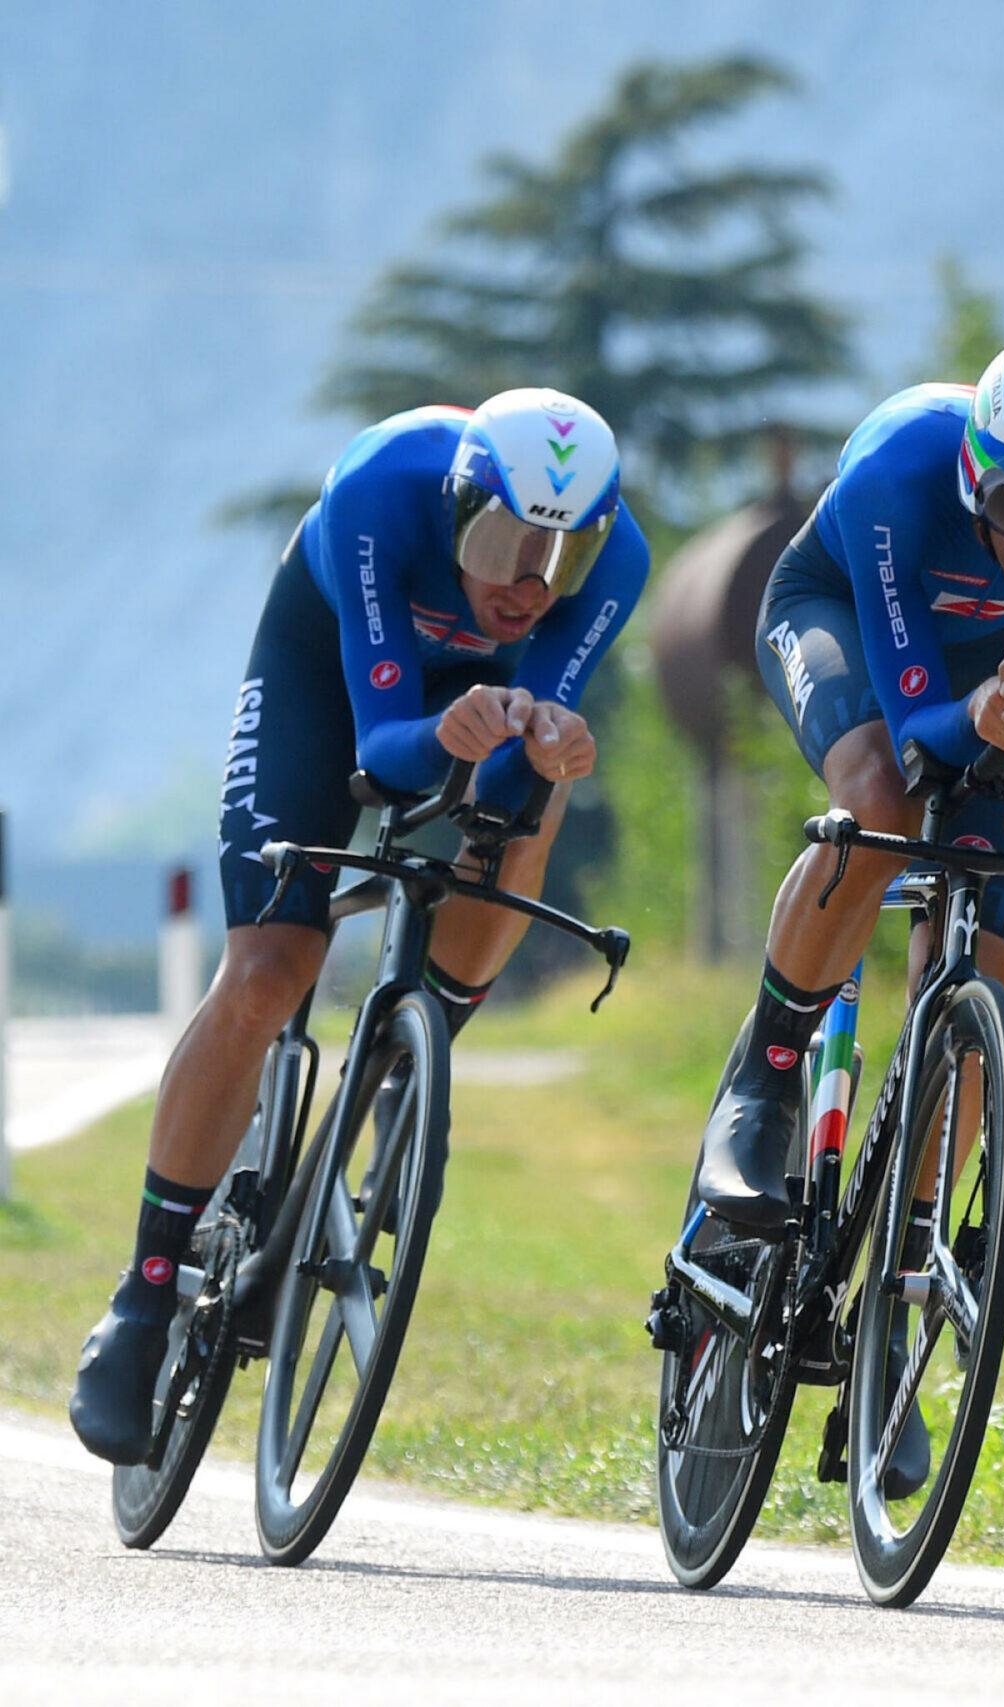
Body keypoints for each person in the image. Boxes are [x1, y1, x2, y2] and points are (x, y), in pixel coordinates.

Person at [68, 389, 651, 1465]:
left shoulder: (616, 567)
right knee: (269, 972)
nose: (528, 583)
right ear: (458, 505)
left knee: (537, 795)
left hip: (476, 713)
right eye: (501, 543)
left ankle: (405, 1059)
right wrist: (445, 730)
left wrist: (548, 744)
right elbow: (383, 747)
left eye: (560, 560)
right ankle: (144, 1297)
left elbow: (534, 735)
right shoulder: (384, 492)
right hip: (336, 677)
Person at [694, 328, 1004, 1234]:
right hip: (837, 614)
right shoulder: (900, 464)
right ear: (977, 475)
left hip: (986, 671)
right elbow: (923, 729)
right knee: (882, 794)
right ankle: (762, 1085)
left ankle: (911, 1238)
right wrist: (982, 718)